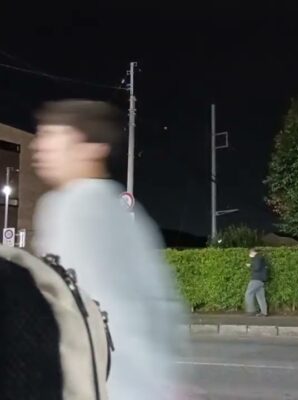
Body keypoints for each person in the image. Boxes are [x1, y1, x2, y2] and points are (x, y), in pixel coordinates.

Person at [31, 100, 190, 399]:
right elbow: (162, 301)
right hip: (139, 384)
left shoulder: (68, 207)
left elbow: (60, 311)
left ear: (91, 148)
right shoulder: (125, 210)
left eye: (51, 135)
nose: (38, 146)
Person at [245, 248, 268, 317]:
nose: (249, 255)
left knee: (248, 293)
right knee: (260, 297)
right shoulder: (260, 258)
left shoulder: (257, 258)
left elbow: (257, 268)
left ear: (253, 252)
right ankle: (264, 312)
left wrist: (250, 265)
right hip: (261, 280)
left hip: (256, 279)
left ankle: (251, 310)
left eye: (250, 253)